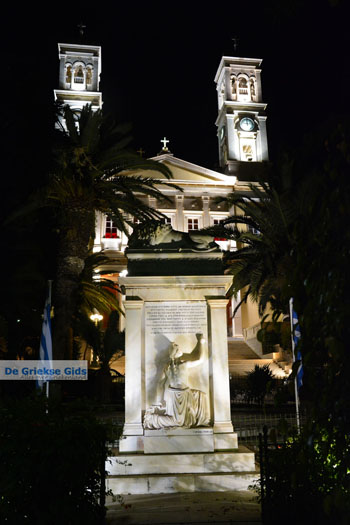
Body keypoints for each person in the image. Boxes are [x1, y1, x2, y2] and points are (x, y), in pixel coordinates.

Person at [144, 333, 210, 429]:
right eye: (176, 349)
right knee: (178, 422)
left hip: (185, 393)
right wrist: (159, 401)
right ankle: (153, 419)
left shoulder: (180, 365)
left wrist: (200, 342)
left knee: (201, 395)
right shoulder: (173, 366)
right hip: (174, 394)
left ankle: (203, 420)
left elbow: (197, 357)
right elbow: (161, 383)